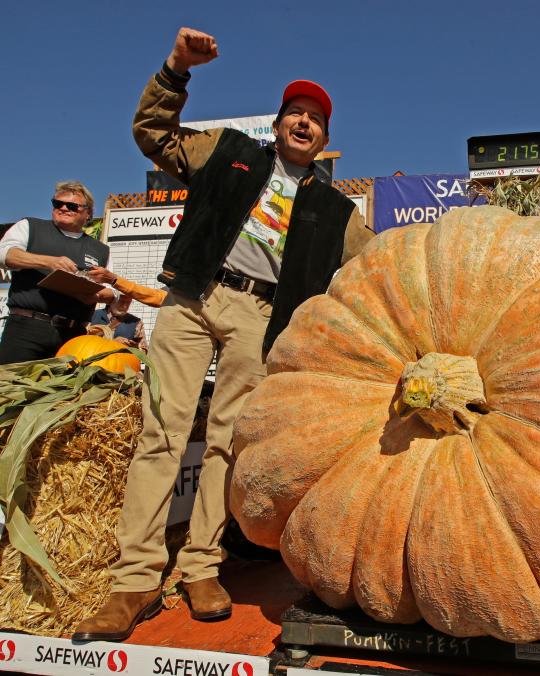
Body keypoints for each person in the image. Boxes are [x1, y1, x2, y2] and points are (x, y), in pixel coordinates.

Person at [74, 27, 373, 642]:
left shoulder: (339, 212)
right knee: (162, 432)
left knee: (226, 448)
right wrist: (176, 69)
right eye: (296, 111)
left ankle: (201, 567)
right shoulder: (226, 150)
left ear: (326, 139)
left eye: (316, 118)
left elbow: (382, 268)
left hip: (260, 322)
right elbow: (152, 134)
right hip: (193, 299)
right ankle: (133, 579)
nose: (305, 123)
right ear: (278, 122)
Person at [0, 182, 117, 364]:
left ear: (88, 213)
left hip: (73, 336)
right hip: (27, 329)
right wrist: (49, 261)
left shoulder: (101, 250)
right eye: (57, 204)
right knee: (12, 390)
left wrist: (95, 295)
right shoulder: (30, 226)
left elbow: (111, 290)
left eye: (72, 206)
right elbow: (4, 255)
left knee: (65, 391)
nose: (63, 208)